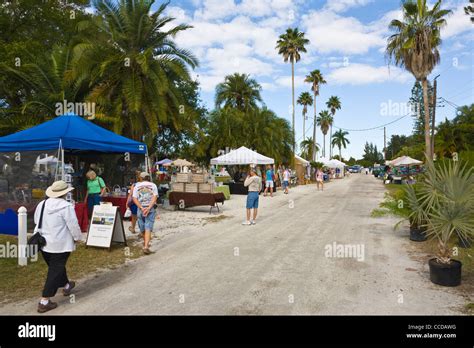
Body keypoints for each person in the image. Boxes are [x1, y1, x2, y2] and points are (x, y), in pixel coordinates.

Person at [35, 181, 83, 313]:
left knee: (55, 267)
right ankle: (44, 301)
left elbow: (35, 220)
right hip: (60, 243)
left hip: (43, 242)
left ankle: (67, 285)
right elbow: (73, 225)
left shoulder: (42, 204)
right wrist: (78, 238)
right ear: (65, 192)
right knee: (54, 271)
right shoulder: (66, 206)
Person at [132, 172, 158, 255]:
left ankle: (146, 245)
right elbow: (154, 197)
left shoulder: (137, 186)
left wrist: (141, 208)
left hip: (141, 209)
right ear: (148, 178)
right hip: (150, 209)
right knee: (148, 228)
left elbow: (134, 198)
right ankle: (146, 246)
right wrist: (149, 208)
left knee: (142, 227)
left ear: (141, 178)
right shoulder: (153, 185)